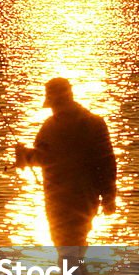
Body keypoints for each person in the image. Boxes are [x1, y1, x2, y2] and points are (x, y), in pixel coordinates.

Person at [15, 78, 117, 248]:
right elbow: (107, 163)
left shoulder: (51, 127)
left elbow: (49, 158)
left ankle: (72, 274)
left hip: (61, 201)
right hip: (84, 199)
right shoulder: (95, 123)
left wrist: (24, 156)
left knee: (67, 251)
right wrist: (109, 196)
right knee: (74, 249)